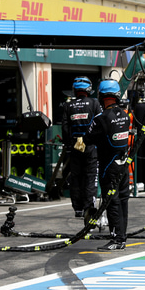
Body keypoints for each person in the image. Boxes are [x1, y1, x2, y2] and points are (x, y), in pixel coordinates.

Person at [86, 79, 131, 250]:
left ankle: (116, 239)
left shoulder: (102, 118)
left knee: (112, 201)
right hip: (123, 164)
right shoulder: (125, 115)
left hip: (108, 166)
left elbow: (88, 137)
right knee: (123, 200)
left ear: (102, 96)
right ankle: (122, 237)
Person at [61, 76, 101, 218]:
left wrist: (69, 143)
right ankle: (88, 206)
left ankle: (77, 208)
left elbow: (65, 128)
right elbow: (99, 124)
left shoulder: (67, 105)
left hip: (75, 146)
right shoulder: (94, 103)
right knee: (90, 177)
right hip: (90, 145)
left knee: (76, 177)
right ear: (88, 89)